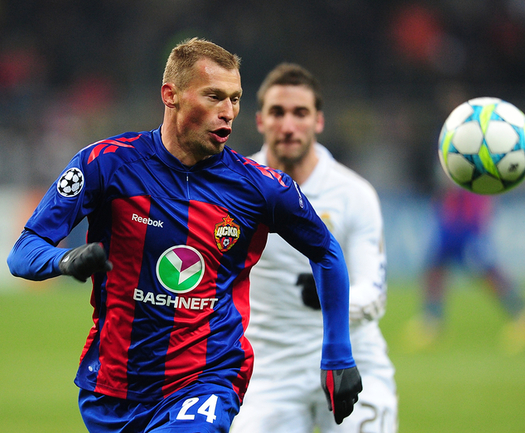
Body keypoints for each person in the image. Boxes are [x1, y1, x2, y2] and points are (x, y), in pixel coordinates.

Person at [7, 38, 362, 433]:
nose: (228, 112)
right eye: (214, 96)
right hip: (112, 387)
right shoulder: (107, 164)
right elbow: (23, 251)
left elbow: (326, 251)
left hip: (207, 379)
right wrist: (65, 260)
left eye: (235, 99)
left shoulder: (261, 188)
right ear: (170, 95)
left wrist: (337, 354)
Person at [230, 63, 397, 433]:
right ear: (259, 120)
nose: (288, 125)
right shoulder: (233, 190)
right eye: (277, 112)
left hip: (354, 358)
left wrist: (331, 297)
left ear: (318, 121)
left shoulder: (354, 194)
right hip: (269, 373)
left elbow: (375, 294)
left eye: (300, 113)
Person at [404, 178, 525, 354]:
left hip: (469, 212)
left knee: (484, 269)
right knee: (435, 266)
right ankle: (431, 322)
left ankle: (522, 313)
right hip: (449, 210)